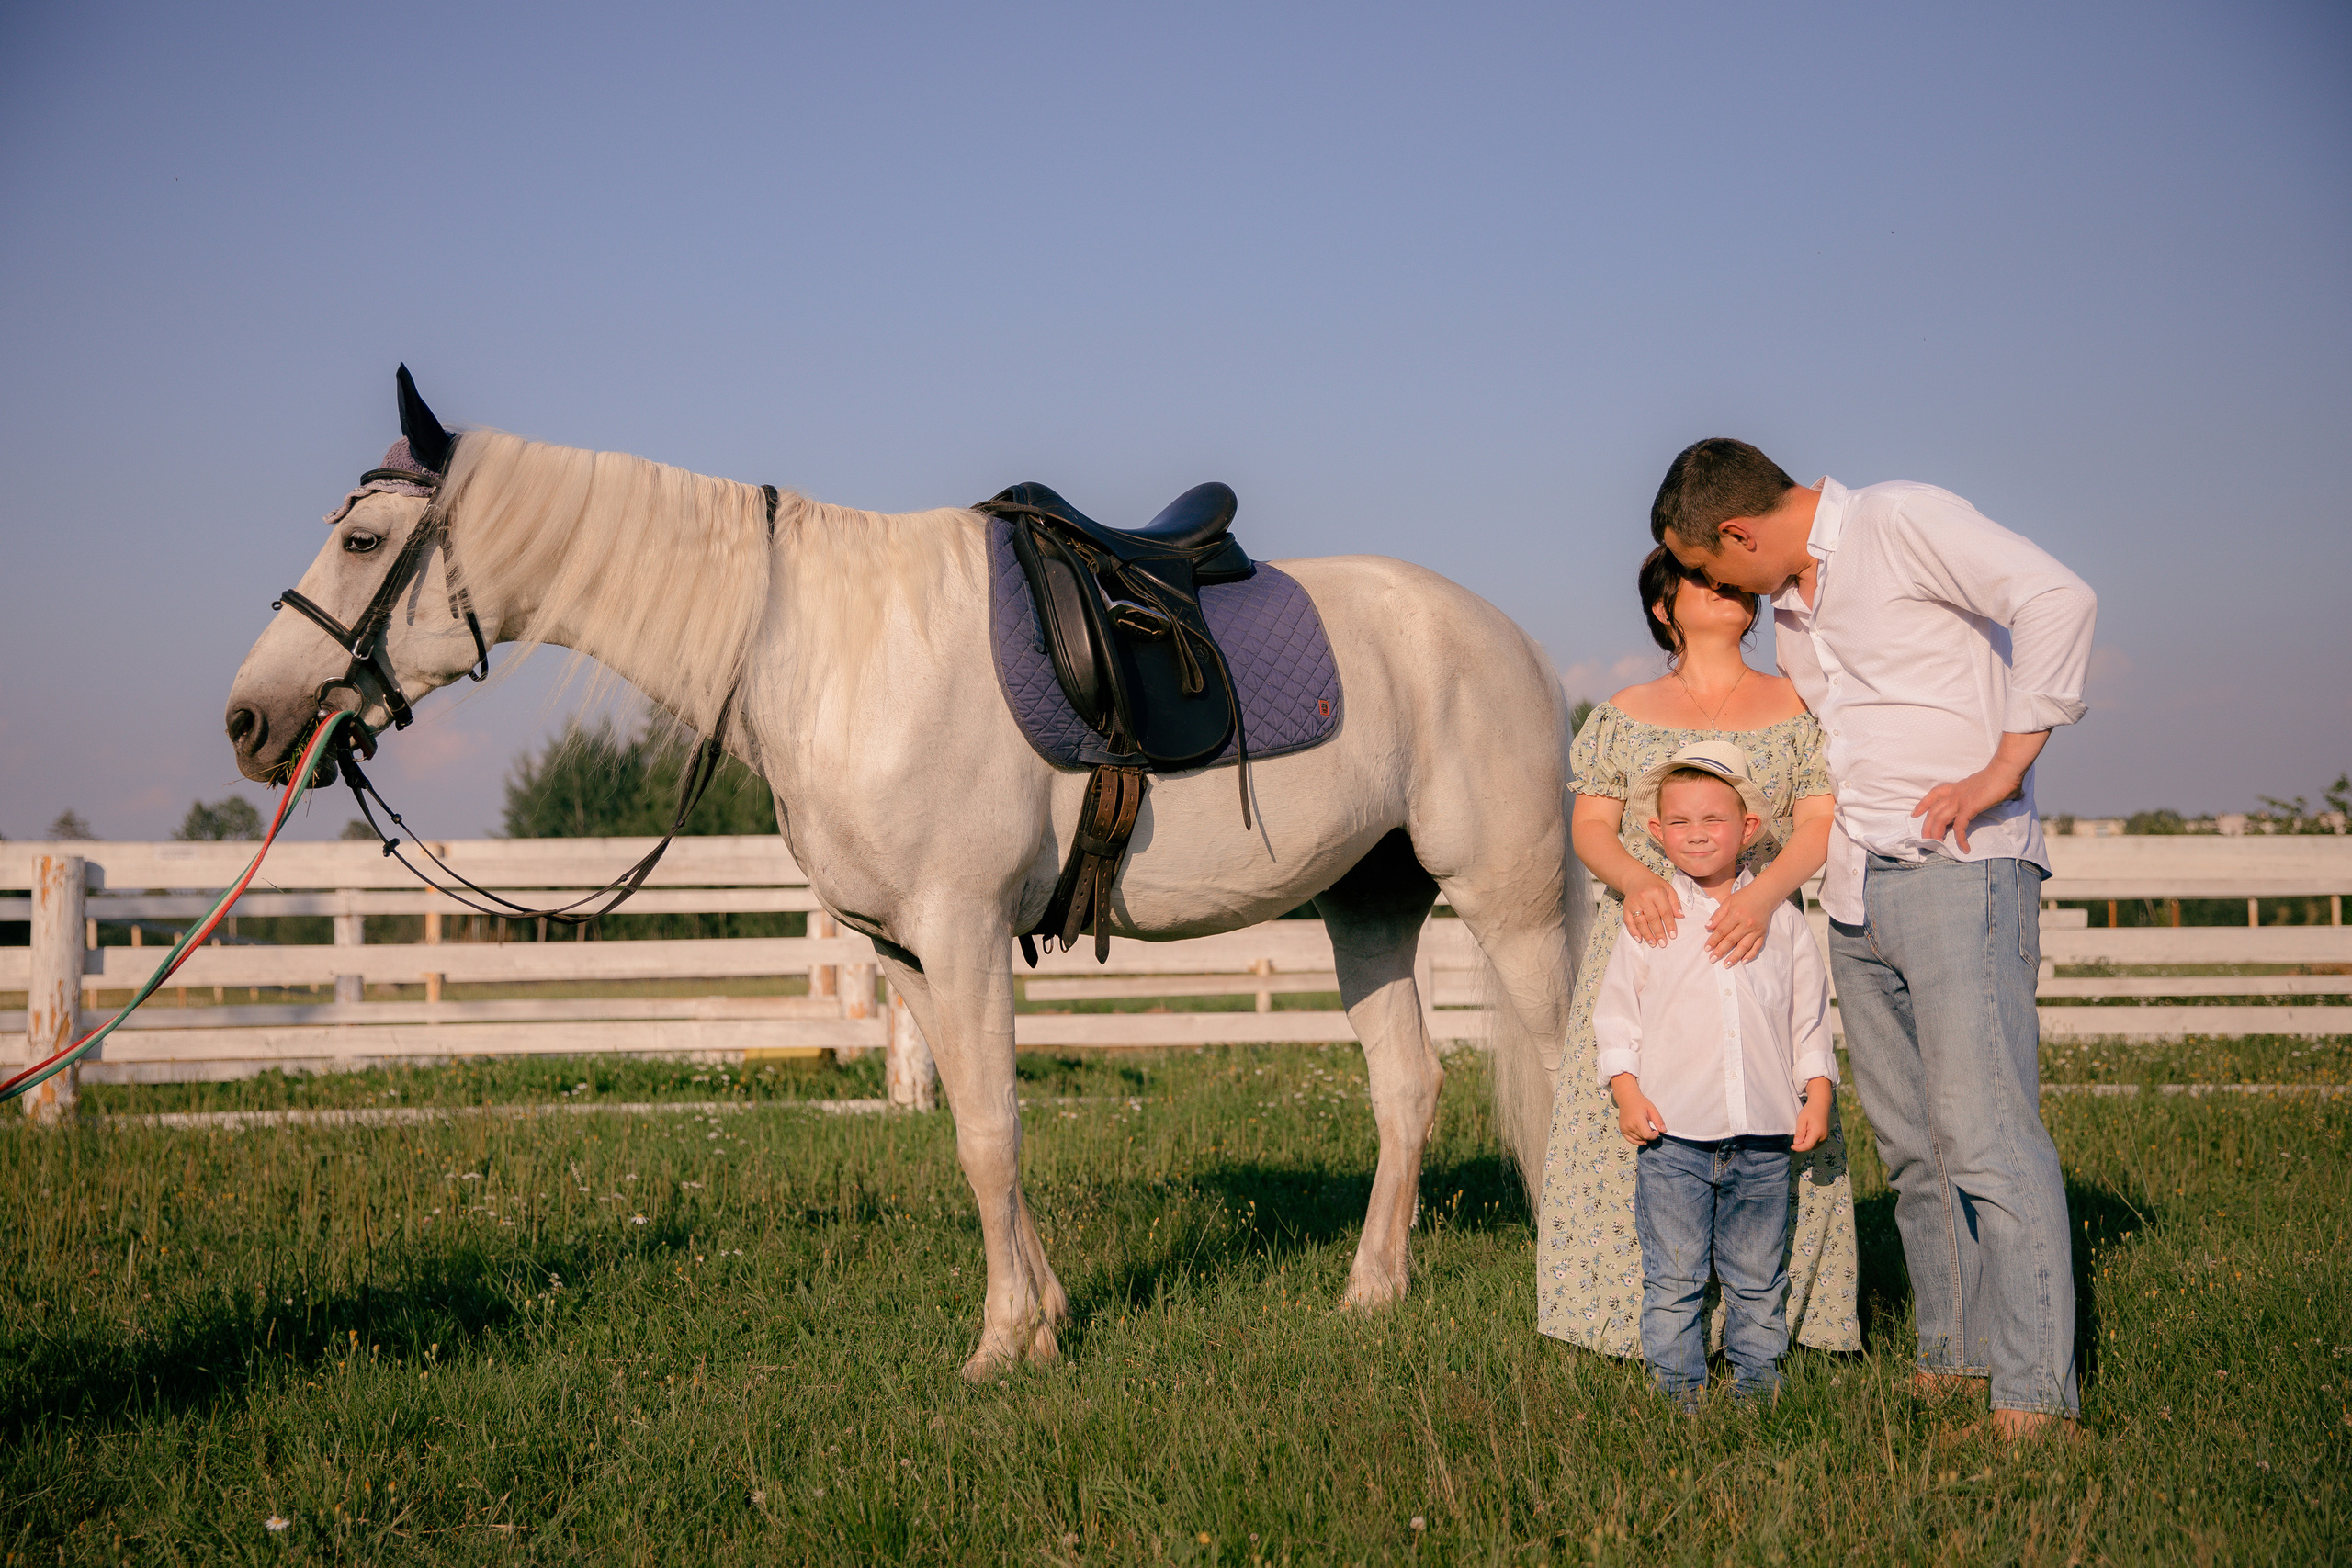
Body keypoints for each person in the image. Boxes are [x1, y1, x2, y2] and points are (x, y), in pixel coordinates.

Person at [1652, 437, 2097, 1438]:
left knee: (1986, 1134)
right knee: (1914, 1147)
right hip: (1857, 890)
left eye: (1717, 569)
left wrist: (2003, 765)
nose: (1728, 591)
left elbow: (2058, 597)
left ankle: (2034, 1393)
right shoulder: (1801, 608)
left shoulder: (1901, 520)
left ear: (1737, 530)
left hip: (1961, 869)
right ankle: (1953, 1354)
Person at [1535, 548, 1859, 1361]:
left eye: (1734, 580)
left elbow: (1817, 823)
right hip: (1651, 936)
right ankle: (1633, 1326)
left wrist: (1761, 894)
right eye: (1705, 579)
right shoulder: (1626, 710)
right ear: (1663, 607)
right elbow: (1590, 827)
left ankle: (1774, 1331)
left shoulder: (1796, 703)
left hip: (1756, 933)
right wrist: (1638, 880)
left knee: (1767, 1113)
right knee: (1642, 1127)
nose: (1729, 589)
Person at [1599, 743, 1839, 1407]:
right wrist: (1626, 1091)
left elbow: (1808, 1019)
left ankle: (1758, 1386)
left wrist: (1815, 1093)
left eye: (1714, 819)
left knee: (1758, 1276)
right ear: (1656, 832)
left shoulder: (1783, 923)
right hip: (1673, 1139)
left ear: (1748, 829)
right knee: (1674, 1276)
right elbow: (1617, 1019)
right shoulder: (1651, 920)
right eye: (1680, 821)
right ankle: (1679, 1391)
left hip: (1764, 1138)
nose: (1697, 833)